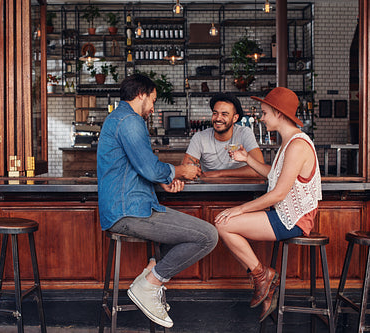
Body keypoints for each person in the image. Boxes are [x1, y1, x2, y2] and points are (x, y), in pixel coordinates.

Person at [97, 74, 218, 328]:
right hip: (129, 211)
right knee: (208, 235)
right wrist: (180, 171)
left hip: (130, 207)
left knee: (177, 240)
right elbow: (149, 168)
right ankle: (149, 284)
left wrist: (162, 179)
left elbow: (139, 167)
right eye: (152, 100)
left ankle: (151, 273)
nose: (153, 108)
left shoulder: (119, 118)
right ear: (141, 94)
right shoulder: (131, 121)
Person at [214, 87, 322, 322]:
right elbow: (272, 175)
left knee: (224, 223)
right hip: (284, 215)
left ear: (279, 114)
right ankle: (263, 278)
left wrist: (239, 208)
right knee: (223, 222)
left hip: (294, 219)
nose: (261, 118)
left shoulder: (297, 145)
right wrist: (247, 159)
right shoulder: (288, 142)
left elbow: (278, 194)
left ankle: (262, 276)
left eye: (264, 113)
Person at [182, 92, 264, 177]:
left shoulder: (244, 133)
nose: (218, 118)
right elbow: (186, 170)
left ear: (235, 118)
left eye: (224, 114)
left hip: (241, 188)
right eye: (215, 113)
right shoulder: (200, 137)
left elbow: (259, 169)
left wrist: (218, 173)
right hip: (208, 189)